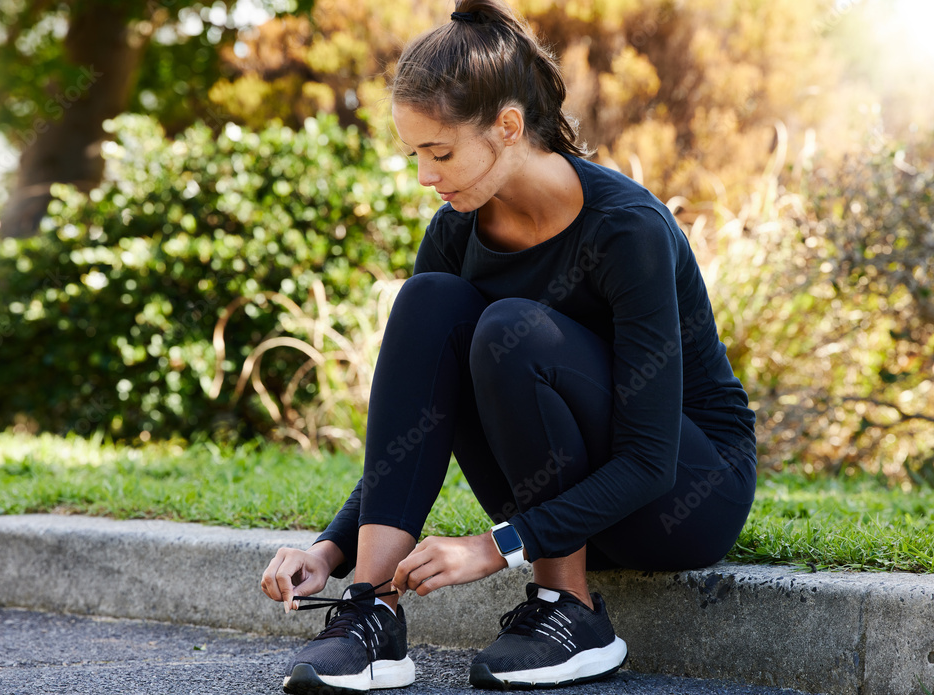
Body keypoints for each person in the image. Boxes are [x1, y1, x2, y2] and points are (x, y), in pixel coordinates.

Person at [261, 0, 757, 691]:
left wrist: (497, 546)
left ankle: (571, 608)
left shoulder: (627, 230)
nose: (427, 176)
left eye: (441, 152)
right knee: (431, 304)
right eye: (416, 155)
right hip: (566, 508)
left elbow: (650, 459)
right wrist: (332, 547)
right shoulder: (456, 230)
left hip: (683, 498)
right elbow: (415, 416)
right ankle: (371, 614)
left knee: (508, 331)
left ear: (509, 126)